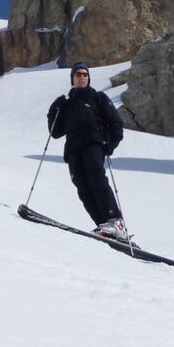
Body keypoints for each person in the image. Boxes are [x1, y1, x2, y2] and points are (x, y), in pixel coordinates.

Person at [47, 61, 128, 240]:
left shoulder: (98, 98)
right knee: (82, 186)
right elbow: (55, 132)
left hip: (94, 144)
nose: (82, 77)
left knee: (96, 178)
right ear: (72, 78)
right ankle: (103, 226)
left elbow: (115, 122)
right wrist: (54, 110)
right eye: (78, 74)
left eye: (85, 75)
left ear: (88, 78)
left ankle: (116, 222)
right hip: (73, 150)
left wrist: (111, 144)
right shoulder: (66, 104)